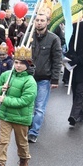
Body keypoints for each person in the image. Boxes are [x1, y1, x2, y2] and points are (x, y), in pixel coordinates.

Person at [0, 46, 37, 166]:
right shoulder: (6, 75)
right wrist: (0, 89)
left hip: (21, 117)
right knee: (2, 141)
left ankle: (24, 160)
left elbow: (25, 100)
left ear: (28, 64)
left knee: (21, 143)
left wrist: (5, 99)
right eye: (16, 62)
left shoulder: (30, 81)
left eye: (22, 63)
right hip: (5, 115)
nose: (18, 66)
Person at [27, 7, 62, 143]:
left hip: (44, 79)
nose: (39, 23)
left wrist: (55, 79)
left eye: (42, 20)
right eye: (37, 20)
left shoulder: (54, 39)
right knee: (28, 105)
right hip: (28, 77)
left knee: (39, 108)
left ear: (47, 22)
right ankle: (26, 126)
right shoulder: (28, 37)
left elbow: (57, 59)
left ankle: (34, 132)